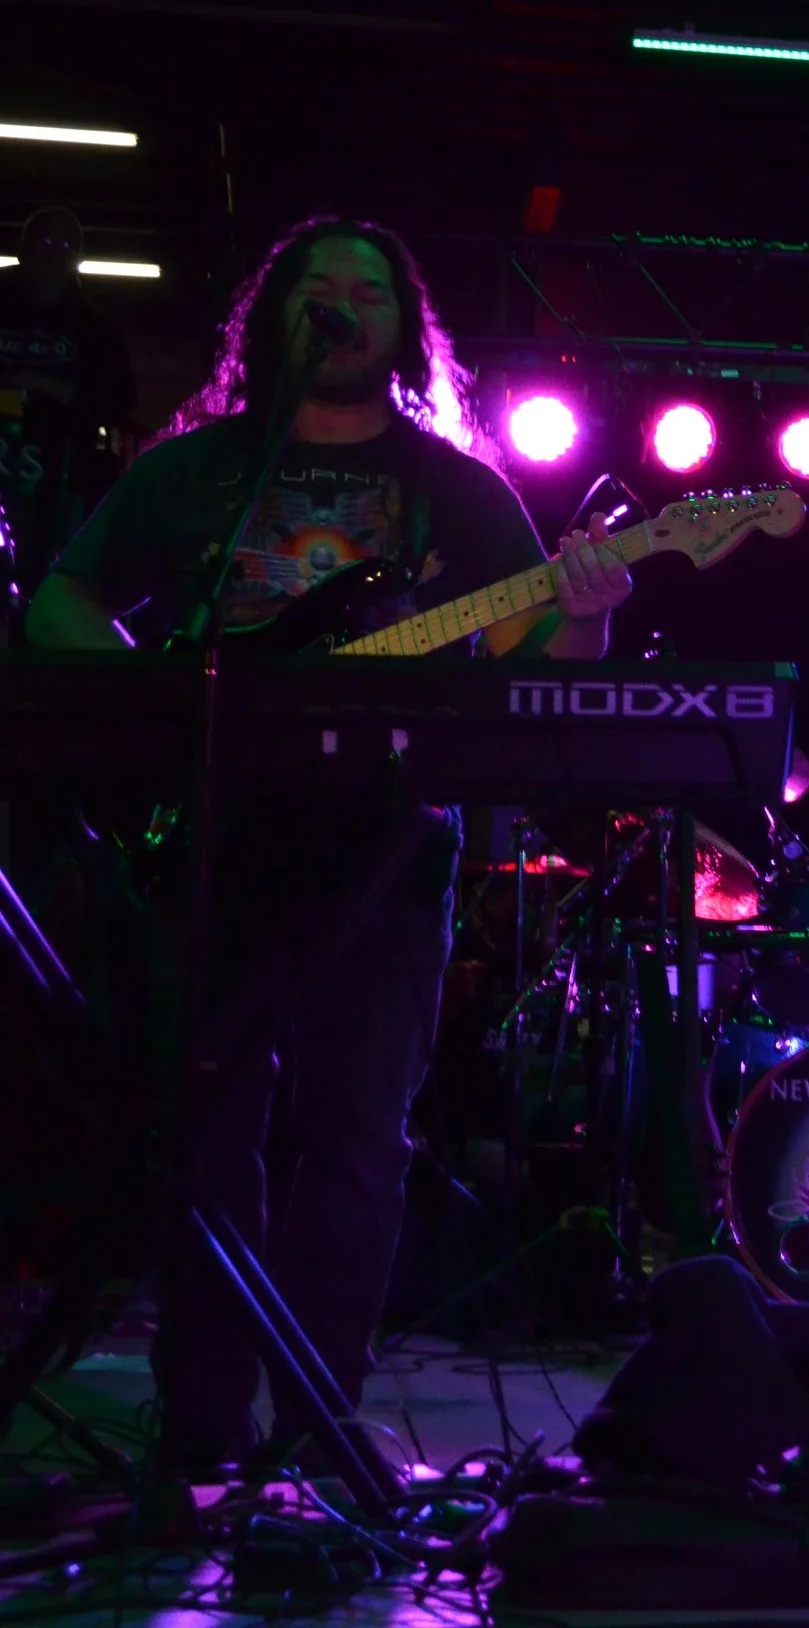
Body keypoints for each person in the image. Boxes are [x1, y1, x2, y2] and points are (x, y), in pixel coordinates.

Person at [26, 216, 634, 1476]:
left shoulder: (455, 493)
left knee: (358, 1137)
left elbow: (527, 674)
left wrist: (581, 618)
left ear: (406, 328)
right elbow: (62, 598)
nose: (343, 306)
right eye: (321, 287)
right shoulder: (197, 473)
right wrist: (150, 704)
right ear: (277, 314)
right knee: (205, 1136)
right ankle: (198, 1426)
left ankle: (316, 1431)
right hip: (213, 836)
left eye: (370, 290)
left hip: (385, 850)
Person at [0, 206, 136, 628]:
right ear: (23, 250)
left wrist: (51, 389)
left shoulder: (96, 329)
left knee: (48, 576)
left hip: (59, 477)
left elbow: (119, 399)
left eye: (65, 246)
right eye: (44, 243)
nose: (54, 255)